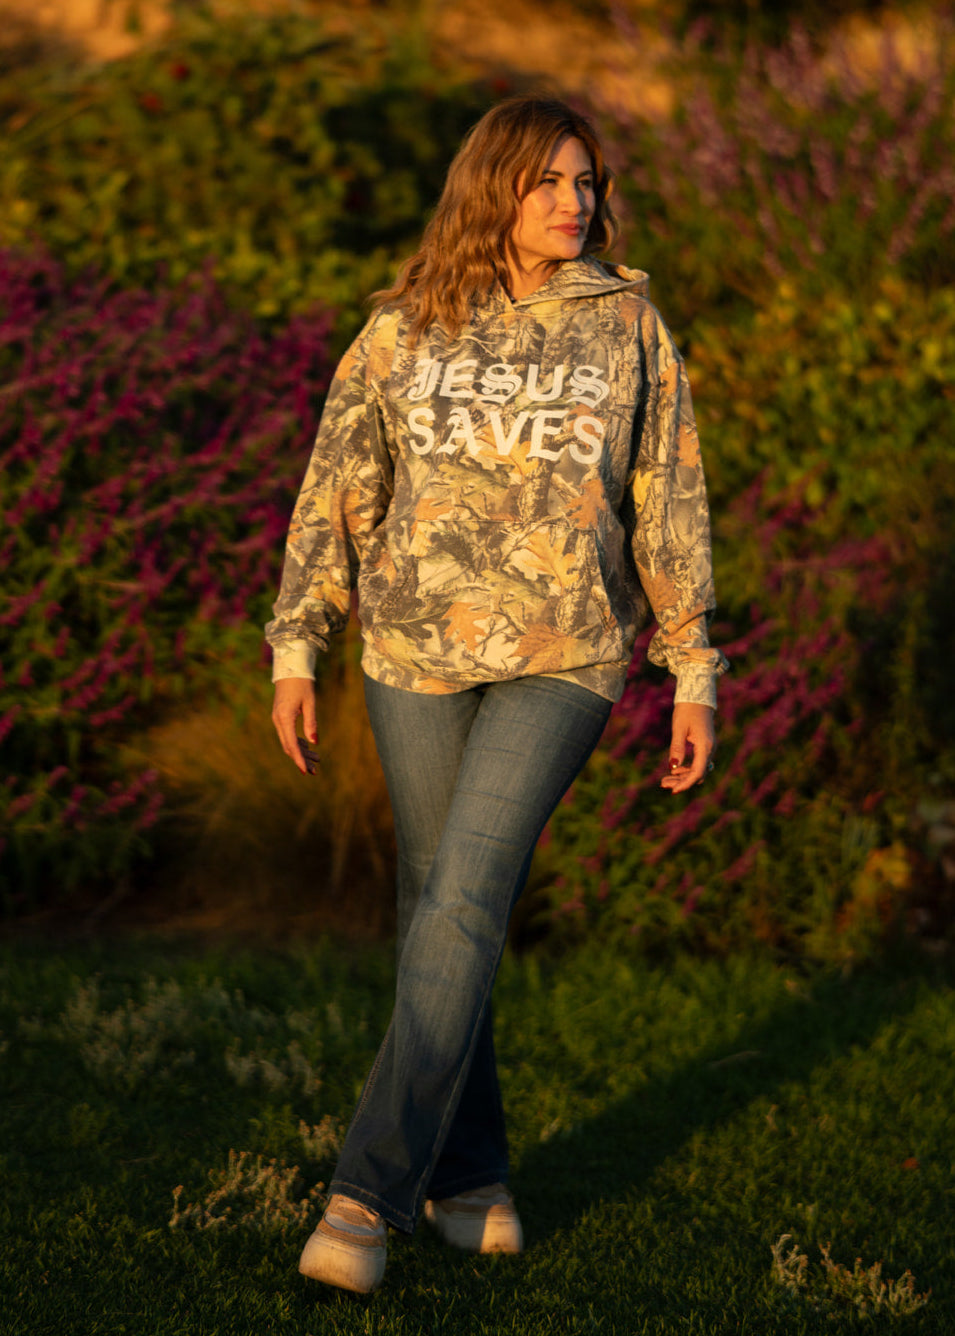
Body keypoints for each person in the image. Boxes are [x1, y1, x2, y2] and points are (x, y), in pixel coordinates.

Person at [266, 95, 728, 1294]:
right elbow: (338, 487)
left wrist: (693, 670)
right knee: (439, 907)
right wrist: (296, 646)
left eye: (586, 181)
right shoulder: (400, 326)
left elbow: (667, 494)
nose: (573, 202)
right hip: (413, 652)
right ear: (493, 191)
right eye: (546, 183)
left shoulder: (626, 320)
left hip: (564, 652)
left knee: (464, 898)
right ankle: (471, 1176)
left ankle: (366, 1195)